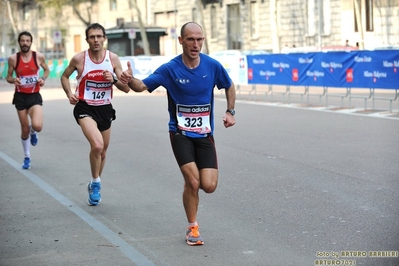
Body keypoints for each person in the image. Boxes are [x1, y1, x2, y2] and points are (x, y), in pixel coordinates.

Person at [122, 22, 236, 246]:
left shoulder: (212, 66)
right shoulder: (170, 69)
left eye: (199, 39)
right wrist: (128, 80)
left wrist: (230, 111)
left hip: (204, 135)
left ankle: (189, 185)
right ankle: (192, 229)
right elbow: (141, 86)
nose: (196, 44)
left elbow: (229, 86)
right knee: (193, 182)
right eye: (191, 39)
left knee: (209, 186)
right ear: (181, 40)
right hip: (180, 133)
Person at [60, 23, 130, 206]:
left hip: (105, 108)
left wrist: (113, 79)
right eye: (92, 37)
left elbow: (126, 88)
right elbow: (64, 76)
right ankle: (97, 183)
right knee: (97, 146)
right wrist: (69, 93)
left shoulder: (113, 59)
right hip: (85, 108)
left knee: (103, 152)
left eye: (99, 36)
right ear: (87, 40)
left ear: (104, 38)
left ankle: (94, 180)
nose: (96, 40)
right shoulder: (79, 59)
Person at [6, 31, 50, 170]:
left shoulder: (39, 57)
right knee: (24, 129)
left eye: (27, 40)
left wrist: (42, 79)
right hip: (20, 97)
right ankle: (27, 157)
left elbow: (47, 70)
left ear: (31, 42)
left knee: (37, 126)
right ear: (19, 42)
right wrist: (14, 79)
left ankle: (33, 132)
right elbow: (8, 77)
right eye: (22, 40)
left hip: (34, 95)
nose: (25, 43)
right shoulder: (13, 59)